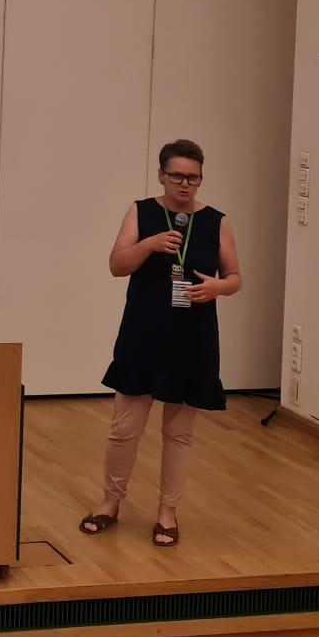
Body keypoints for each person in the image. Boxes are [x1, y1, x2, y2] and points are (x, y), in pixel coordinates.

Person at [78, 139, 242, 547]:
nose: (185, 184)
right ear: (161, 176)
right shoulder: (142, 212)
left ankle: (168, 512)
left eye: (193, 178)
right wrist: (149, 245)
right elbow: (117, 266)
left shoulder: (217, 221)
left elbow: (235, 277)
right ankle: (110, 502)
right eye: (177, 176)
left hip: (192, 339)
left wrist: (219, 288)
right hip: (143, 334)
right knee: (124, 429)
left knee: (179, 433)